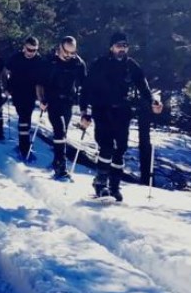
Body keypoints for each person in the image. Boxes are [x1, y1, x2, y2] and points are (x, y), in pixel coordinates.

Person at [82, 32, 163, 201]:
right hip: (102, 110)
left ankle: (114, 187)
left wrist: (153, 101)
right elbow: (87, 88)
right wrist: (84, 111)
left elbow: (143, 86)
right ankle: (100, 184)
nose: (122, 49)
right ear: (111, 47)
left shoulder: (131, 65)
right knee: (106, 147)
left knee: (120, 149)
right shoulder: (100, 64)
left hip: (123, 112)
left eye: (125, 46)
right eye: (119, 46)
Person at [38, 36, 88, 180]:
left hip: (68, 101)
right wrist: (41, 99)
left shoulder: (78, 63)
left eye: (72, 53)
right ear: (60, 47)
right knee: (59, 129)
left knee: (63, 132)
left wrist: (85, 111)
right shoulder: (50, 61)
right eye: (67, 52)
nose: (69, 56)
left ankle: (56, 160)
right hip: (52, 100)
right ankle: (61, 166)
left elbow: (85, 87)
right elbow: (40, 82)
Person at [5, 36, 45, 162]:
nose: (31, 53)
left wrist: (41, 98)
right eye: (29, 49)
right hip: (16, 91)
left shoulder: (39, 61)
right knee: (23, 117)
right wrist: (6, 86)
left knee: (25, 118)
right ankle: (23, 145)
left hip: (30, 94)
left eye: (34, 50)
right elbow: (5, 71)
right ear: (24, 47)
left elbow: (40, 82)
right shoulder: (16, 57)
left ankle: (24, 147)